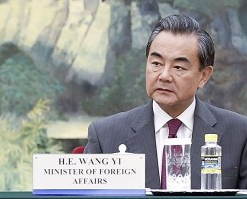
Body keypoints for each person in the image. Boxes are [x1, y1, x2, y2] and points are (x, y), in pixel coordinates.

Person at [83, 13, 247, 189]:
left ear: (204, 76)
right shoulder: (105, 135)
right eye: (156, 63)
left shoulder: (240, 133)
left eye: (178, 67)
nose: (164, 76)